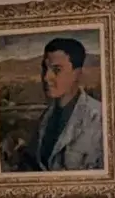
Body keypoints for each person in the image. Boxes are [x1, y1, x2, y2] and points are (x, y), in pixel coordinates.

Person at [29, 37, 103, 172]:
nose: (46, 77)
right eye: (45, 68)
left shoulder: (99, 118)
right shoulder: (45, 118)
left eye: (56, 70)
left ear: (77, 73)